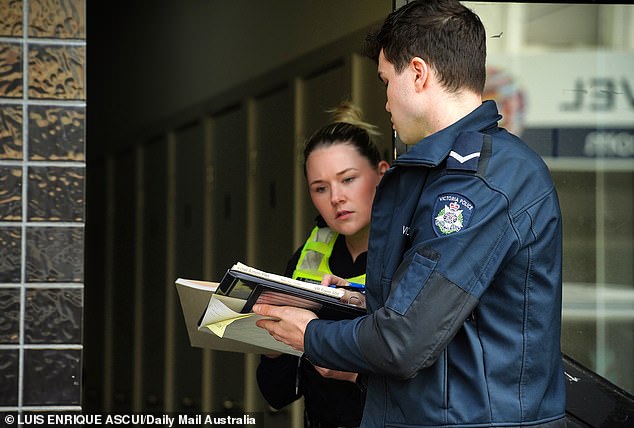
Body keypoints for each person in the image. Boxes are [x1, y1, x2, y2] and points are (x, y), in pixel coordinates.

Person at [253, 1, 567, 427]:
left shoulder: (481, 182)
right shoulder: (435, 172)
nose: (384, 102)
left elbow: (405, 338)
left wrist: (309, 335)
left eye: (385, 81)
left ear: (418, 73)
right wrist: (360, 299)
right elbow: (450, 307)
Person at [256, 101, 389, 428]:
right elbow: (277, 393)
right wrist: (272, 345)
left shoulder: (410, 255)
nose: (335, 198)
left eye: (348, 179)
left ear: (382, 174)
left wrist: (356, 372)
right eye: (320, 188)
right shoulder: (306, 259)